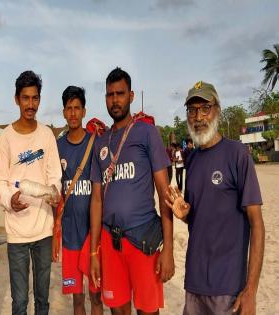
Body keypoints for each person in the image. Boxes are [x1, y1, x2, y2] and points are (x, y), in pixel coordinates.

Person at [165, 81, 265, 315]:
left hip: (228, 287)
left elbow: (257, 224)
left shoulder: (237, 155)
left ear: (217, 110)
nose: (198, 117)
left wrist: (251, 291)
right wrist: (186, 215)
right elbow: (203, 217)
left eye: (205, 108)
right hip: (195, 284)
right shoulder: (193, 159)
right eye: (192, 110)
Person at [89, 67, 174, 315]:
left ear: (131, 96)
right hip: (110, 239)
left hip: (143, 238)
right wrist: (94, 252)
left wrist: (168, 249)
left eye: (120, 93)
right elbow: (96, 200)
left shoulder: (146, 133)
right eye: (110, 95)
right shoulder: (100, 142)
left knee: (147, 310)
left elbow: (164, 193)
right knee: (117, 309)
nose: (115, 100)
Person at [0, 70, 62, 315]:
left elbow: (55, 175)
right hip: (17, 234)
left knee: (42, 300)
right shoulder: (6, 139)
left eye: (35, 98)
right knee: (20, 302)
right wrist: (9, 200)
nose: (30, 104)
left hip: (43, 230)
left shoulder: (46, 135)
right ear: (16, 99)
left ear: (39, 100)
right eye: (26, 98)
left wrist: (55, 191)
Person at [54, 86, 103, 314]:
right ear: (63, 112)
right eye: (69, 109)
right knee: (77, 298)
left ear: (84, 111)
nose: (73, 113)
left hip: (92, 237)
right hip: (70, 236)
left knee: (95, 296)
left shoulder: (96, 144)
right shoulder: (58, 147)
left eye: (77, 108)